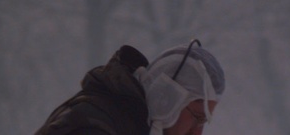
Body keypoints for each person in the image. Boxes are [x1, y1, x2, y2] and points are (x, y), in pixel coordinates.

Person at [34, 39, 225, 135]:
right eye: (198, 118)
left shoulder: (127, 124)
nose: (197, 133)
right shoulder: (92, 127)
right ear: (169, 98)